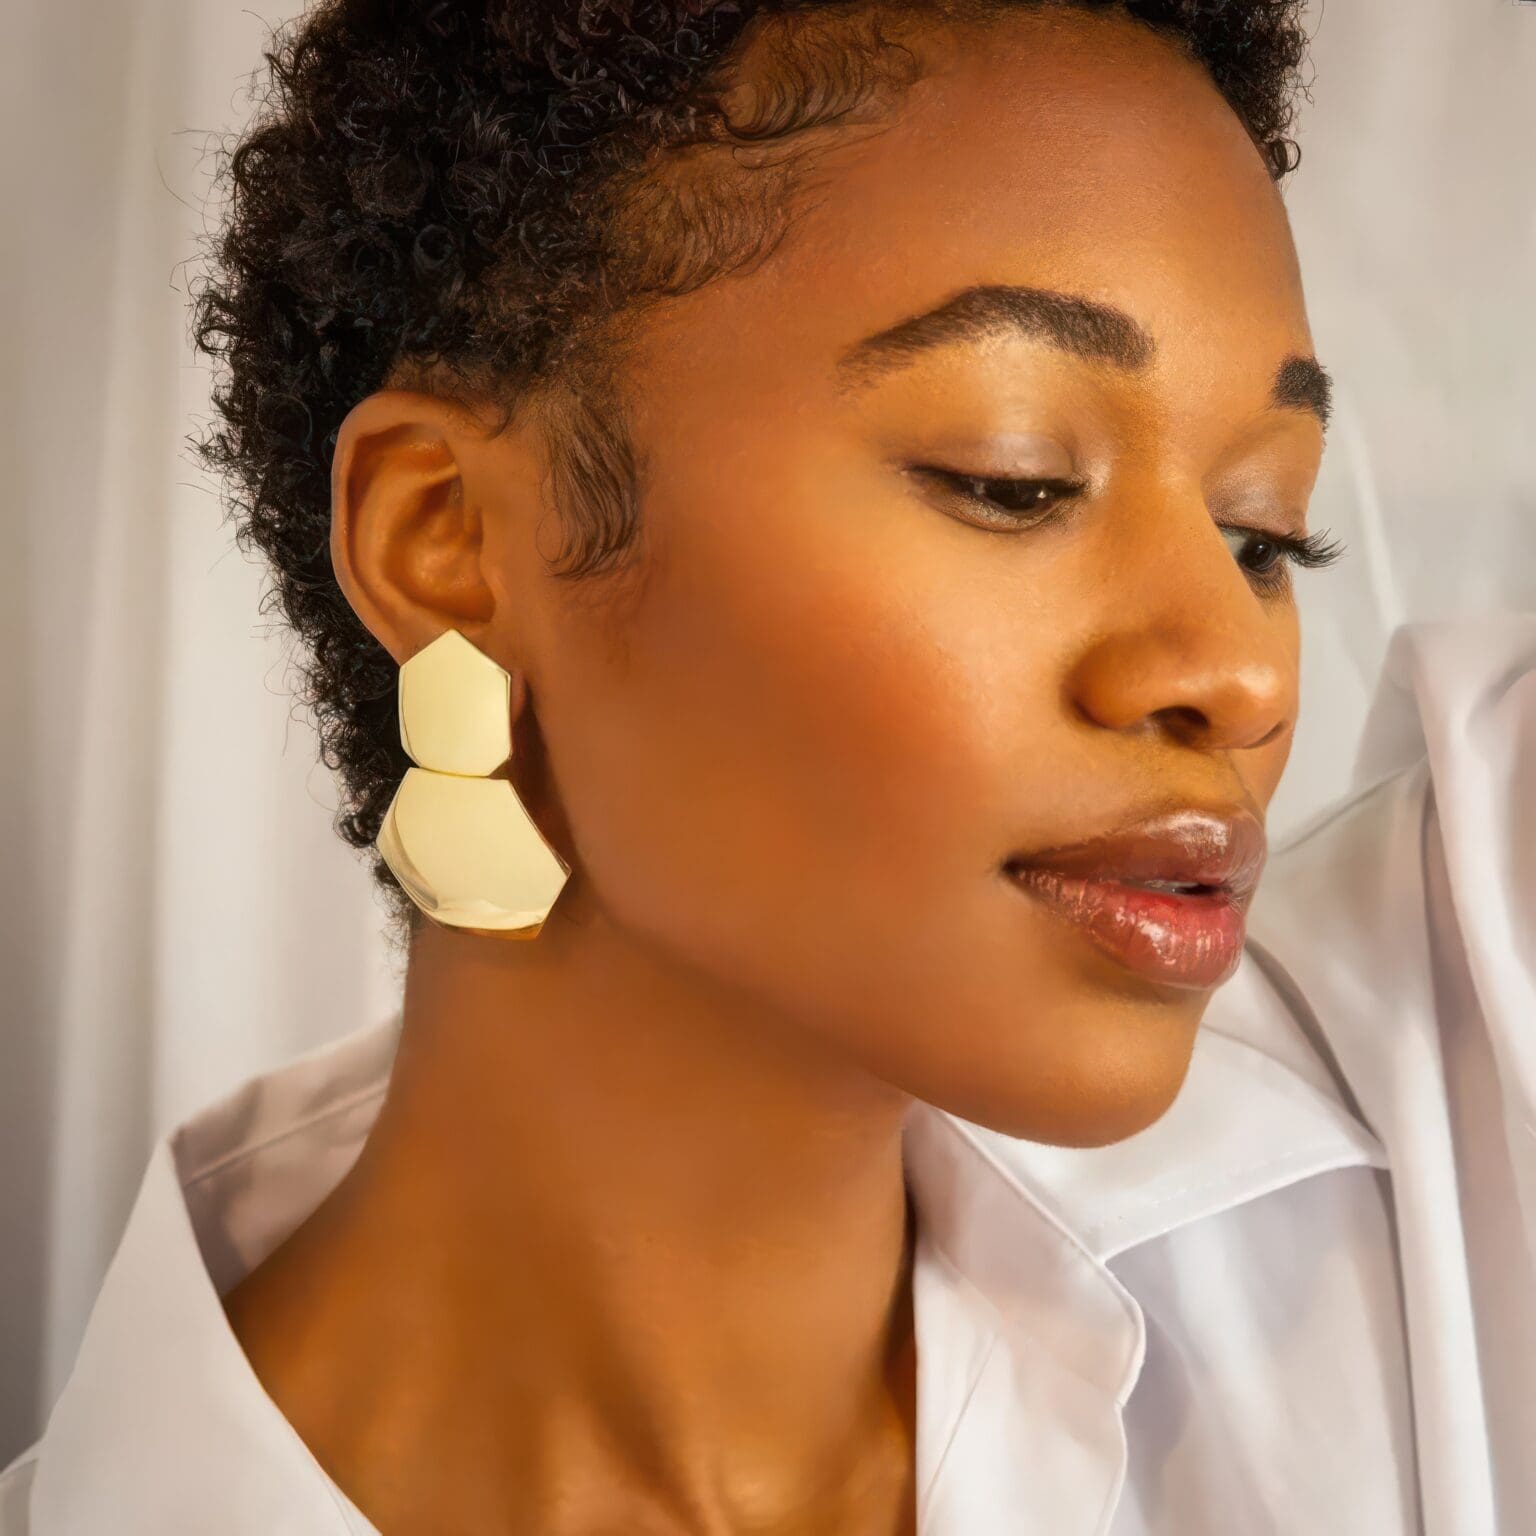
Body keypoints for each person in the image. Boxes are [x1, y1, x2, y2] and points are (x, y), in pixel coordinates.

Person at [3, 0, 1531, 1531]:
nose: (1246, 672)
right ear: (448, 543)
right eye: (1013, 480)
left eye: (1263, 532)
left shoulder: (1436, 1162)